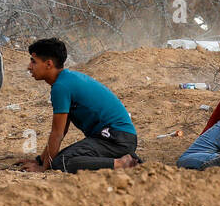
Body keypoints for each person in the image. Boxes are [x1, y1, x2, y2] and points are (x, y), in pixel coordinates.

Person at [17, 37, 140, 173]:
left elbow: (57, 134)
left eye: (33, 61)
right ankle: (122, 158)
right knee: (59, 160)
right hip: (117, 138)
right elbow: (62, 131)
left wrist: (42, 168)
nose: (29, 66)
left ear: (49, 64)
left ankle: (121, 163)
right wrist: (41, 159)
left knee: (62, 162)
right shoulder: (66, 80)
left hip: (116, 139)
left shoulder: (61, 87)